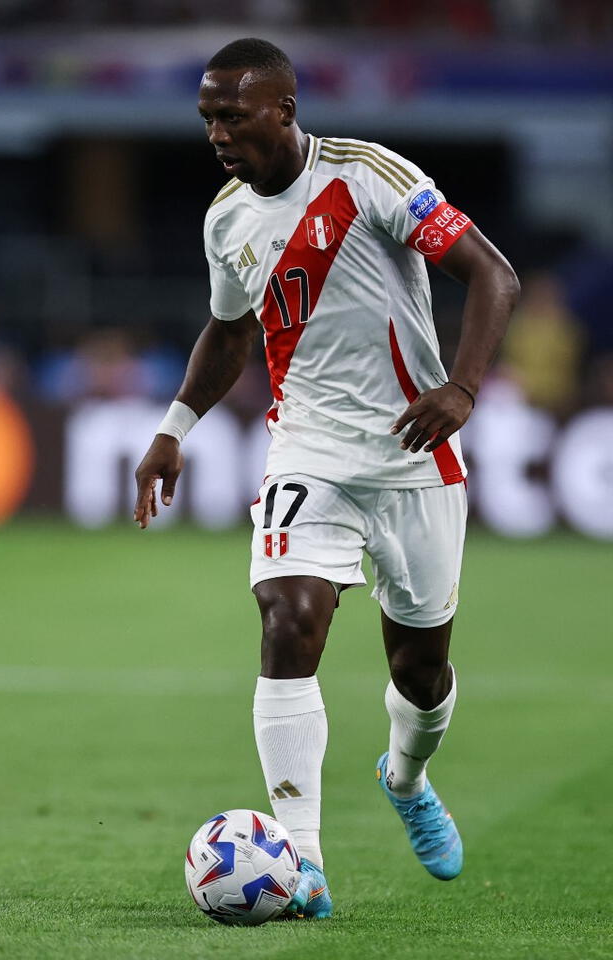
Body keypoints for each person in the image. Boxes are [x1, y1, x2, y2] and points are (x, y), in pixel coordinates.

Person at [134, 37, 520, 919]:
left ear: (284, 110)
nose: (218, 133)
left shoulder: (372, 177)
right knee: (287, 618)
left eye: (232, 115)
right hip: (308, 451)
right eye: (207, 118)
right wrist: (172, 428)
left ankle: (406, 777)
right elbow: (229, 334)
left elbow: (493, 276)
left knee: (422, 672)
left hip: (415, 453)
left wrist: (460, 387)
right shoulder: (226, 218)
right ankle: (301, 862)